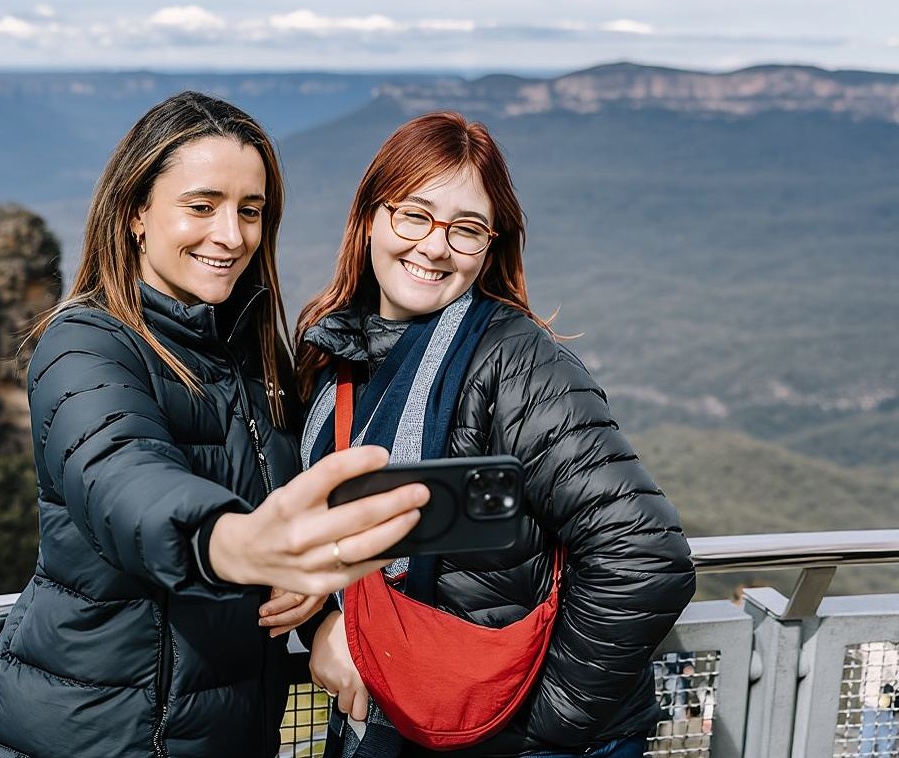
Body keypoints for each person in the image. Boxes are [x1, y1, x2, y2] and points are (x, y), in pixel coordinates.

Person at [0, 92, 430, 758]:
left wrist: (329, 607)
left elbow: (304, 515)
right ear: (135, 214)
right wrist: (234, 543)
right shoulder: (84, 345)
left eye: (250, 210)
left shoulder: (252, 354)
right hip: (85, 736)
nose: (232, 235)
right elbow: (123, 479)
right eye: (202, 205)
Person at [296, 112, 697, 757]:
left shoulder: (517, 364)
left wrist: (536, 729)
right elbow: (319, 528)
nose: (434, 246)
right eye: (415, 215)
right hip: (407, 716)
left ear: (490, 246)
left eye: (466, 229)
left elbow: (645, 557)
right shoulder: (335, 356)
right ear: (370, 216)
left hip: (511, 733)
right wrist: (331, 623)